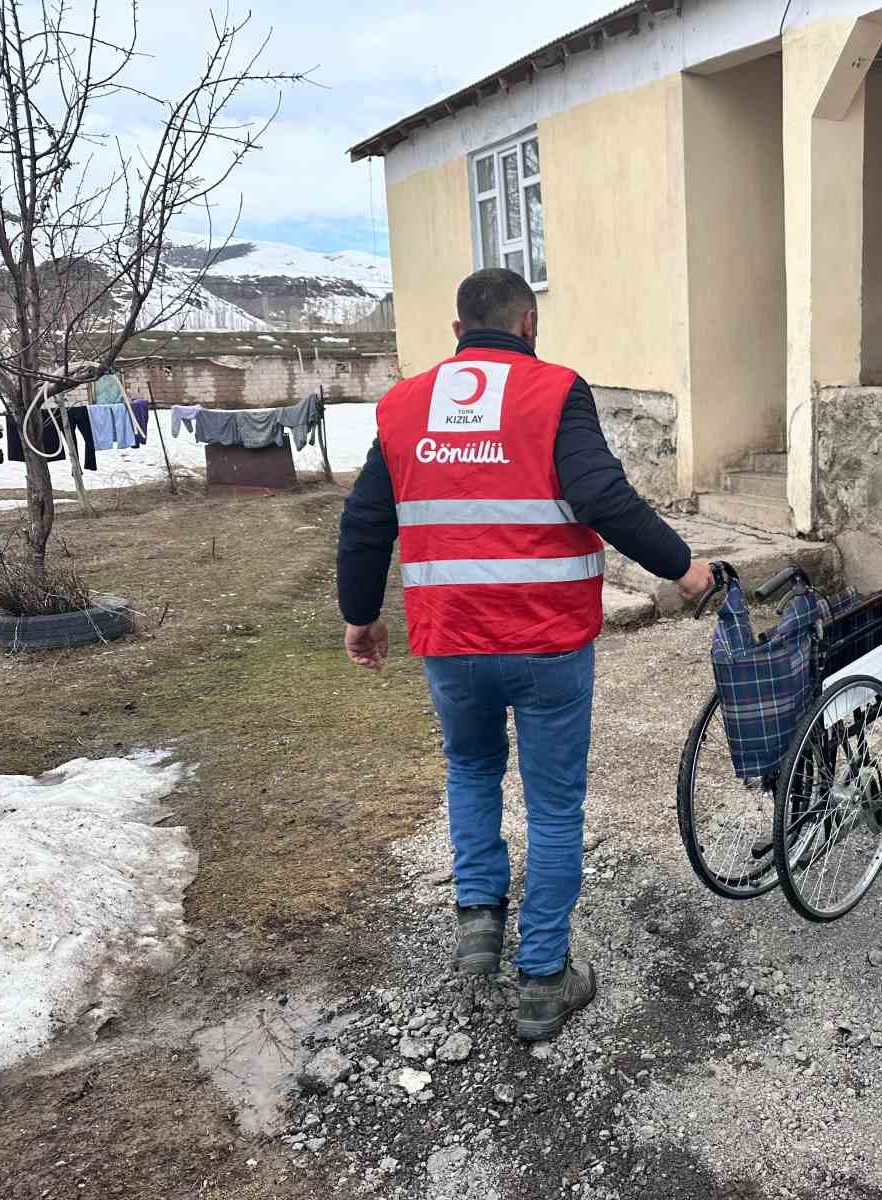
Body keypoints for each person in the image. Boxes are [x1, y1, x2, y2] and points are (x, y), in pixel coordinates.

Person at [337, 268, 713, 1039]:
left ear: (457, 332)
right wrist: (682, 567)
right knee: (552, 804)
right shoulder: (555, 392)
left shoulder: (405, 404)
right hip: (546, 641)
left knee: (472, 768)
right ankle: (543, 977)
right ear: (528, 324)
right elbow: (603, 497)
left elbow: (367, 519)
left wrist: (360, 617)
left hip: (451, 640)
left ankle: (479, 921)